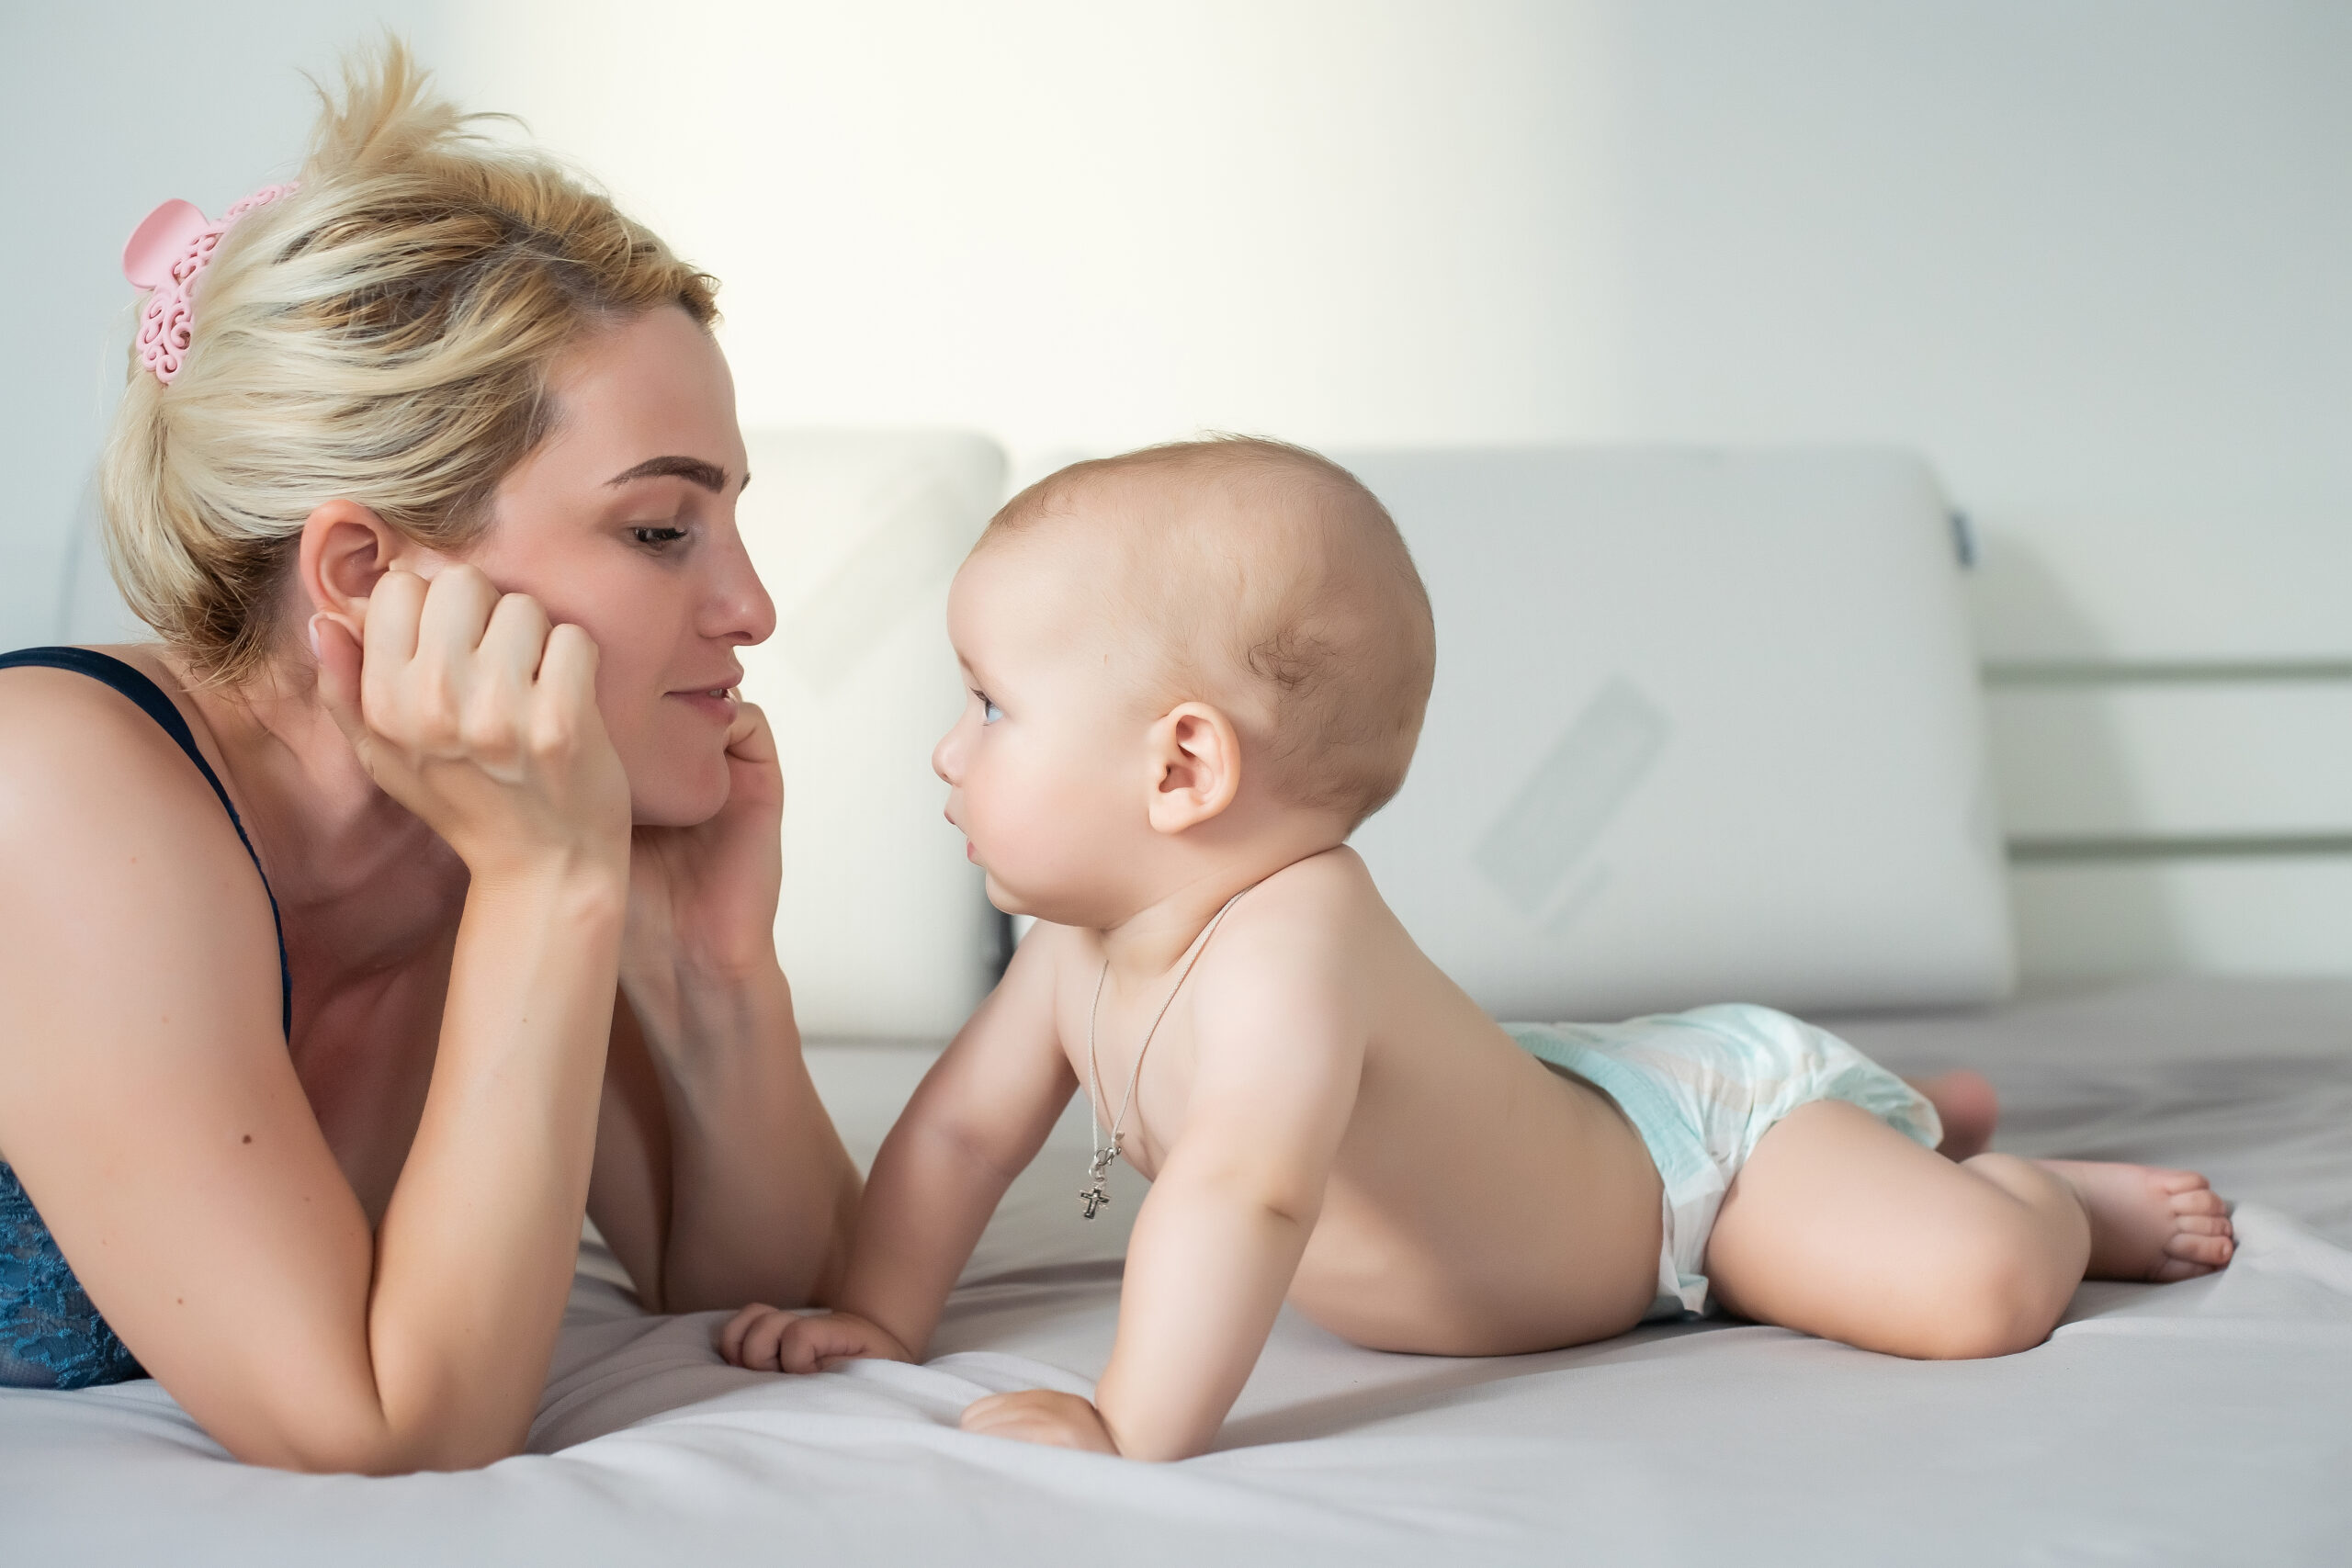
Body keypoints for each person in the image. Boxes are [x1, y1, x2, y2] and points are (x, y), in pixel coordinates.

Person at [718, 437, 2234, 1462]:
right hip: (1575, 1095)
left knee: (1965, 1292)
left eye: (989, 706)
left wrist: (1131, 1424)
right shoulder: (1077, 948)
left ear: (1181, 769)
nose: (945, 750)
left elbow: (1248, 1187)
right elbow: (964, 1134)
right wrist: (881, 1315)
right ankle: (1912, 1117)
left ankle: (2031, 1190)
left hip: (1692, 1184)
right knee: (1854, 1164)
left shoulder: (1294, 948)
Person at [0, 44, 858, 1472]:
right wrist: (546, 889)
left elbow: (772, 1300)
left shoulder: (511, 804)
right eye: (661, 530)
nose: (752, 609)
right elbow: (383, 1430)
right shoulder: (55, 787)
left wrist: (718, 973)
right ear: (360, 569)